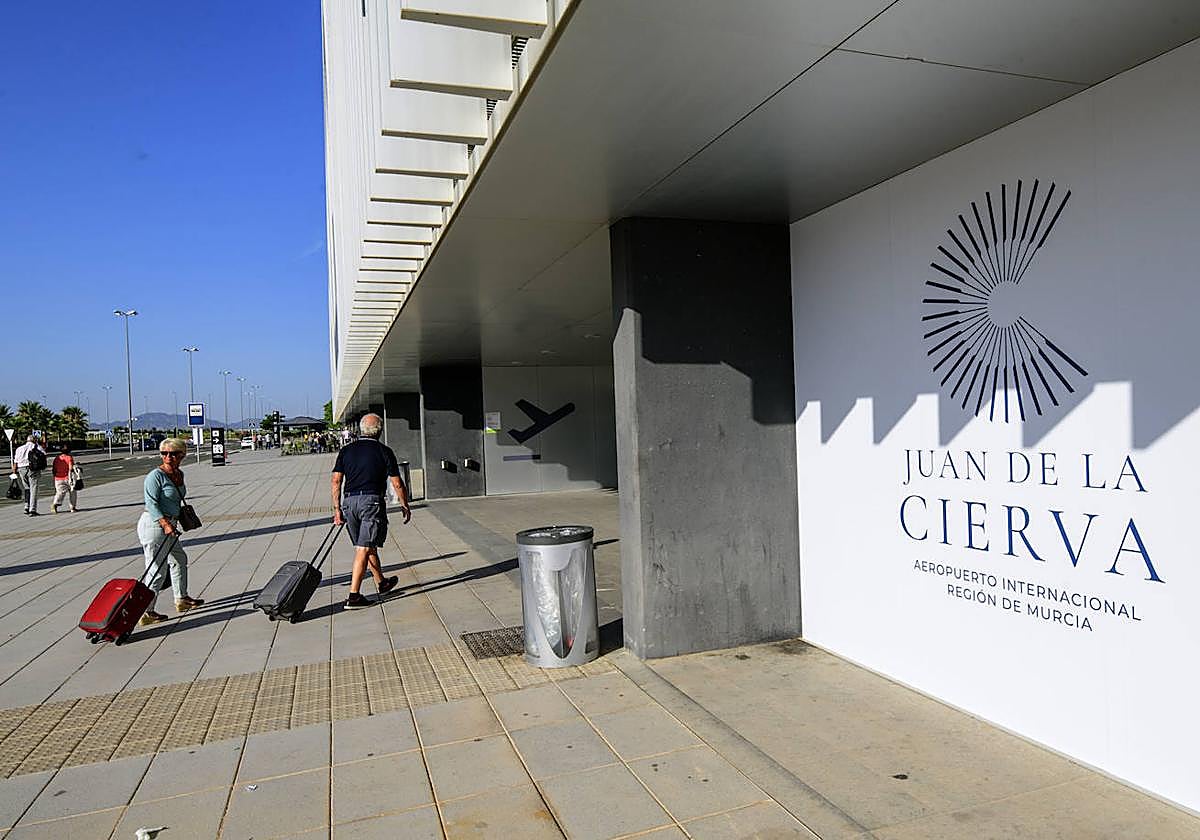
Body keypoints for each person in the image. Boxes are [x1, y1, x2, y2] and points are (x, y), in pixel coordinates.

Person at [331, 413, 411, 609]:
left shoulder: (346, 450)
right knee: (364, 548)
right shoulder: (384, 451)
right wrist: (404, 504)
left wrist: (337, 509)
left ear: (361, 429)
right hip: (371, 502)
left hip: (350, 502)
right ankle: (354, 596)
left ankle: (381, 582)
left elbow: (336, 481)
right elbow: (397, 483)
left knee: (365, 545)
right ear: (380, 431)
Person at [137, 438, 205, 625]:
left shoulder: (178, 473)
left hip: (170, 525)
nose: (168, 457)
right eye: (164, 453)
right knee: (156, 570)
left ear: (182, 455)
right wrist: (165, 524)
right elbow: (151, 503)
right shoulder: (154, 476)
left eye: (173, 453)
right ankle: (146, 612)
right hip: (155, 526)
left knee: (179, 559)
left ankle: (181, 599)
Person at [13, 435, 47, 516]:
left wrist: (14, 472)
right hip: (33, 469)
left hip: (21, 469)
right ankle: (32, 510)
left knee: (27, 488)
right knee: (33, 489)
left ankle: (26, 507)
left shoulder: (19, 448)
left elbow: (15, 462)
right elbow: (44, 455)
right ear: (35, 440)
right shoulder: (37, 447)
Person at [50, 444, 80, 513]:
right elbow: (70, 468)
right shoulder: (69, 458)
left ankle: (55, 504)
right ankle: (72, 508)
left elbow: (54, 469)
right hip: (68, 478)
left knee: (60, 493)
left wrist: (55, 475)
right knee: (72, 492)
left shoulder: (57, 458)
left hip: (58, 478)